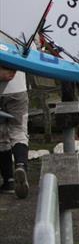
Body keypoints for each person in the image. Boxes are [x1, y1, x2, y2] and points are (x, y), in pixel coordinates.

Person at [0, 67, 30, 199]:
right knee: (18, 131)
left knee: (1, 136)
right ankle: (21, 164)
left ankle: (9, 181)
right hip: (17, 88)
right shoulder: (21, 43)